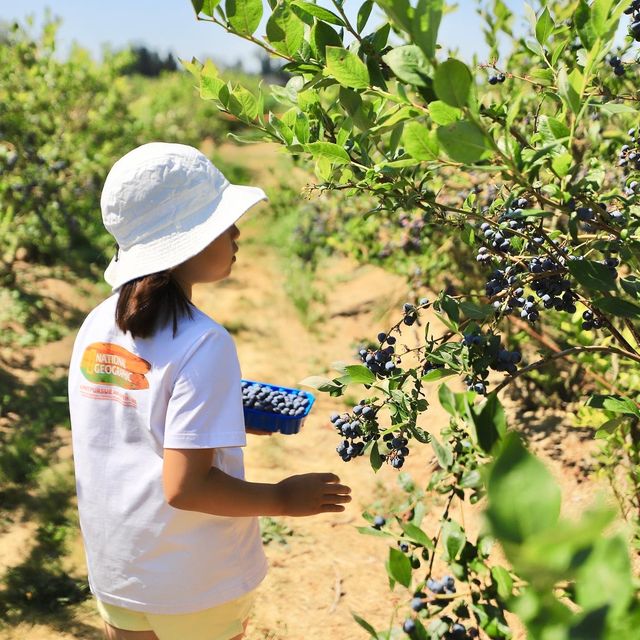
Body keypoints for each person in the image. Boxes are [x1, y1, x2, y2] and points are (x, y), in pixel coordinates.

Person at [67, 142, 352, 640]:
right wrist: (284, 498)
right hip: (195, 581)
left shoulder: (96, 326)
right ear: (187, 242)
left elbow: (133, 414)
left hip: (119, 571)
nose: (237, 232)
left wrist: (223, 410)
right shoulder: (204, 341)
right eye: (223, 222)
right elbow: (186, 488)